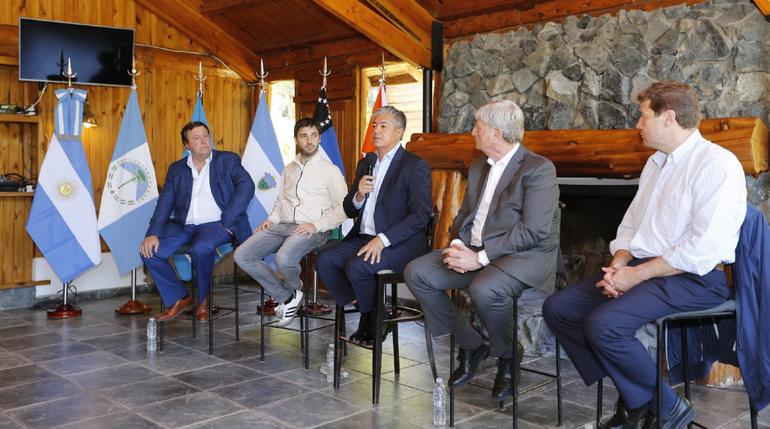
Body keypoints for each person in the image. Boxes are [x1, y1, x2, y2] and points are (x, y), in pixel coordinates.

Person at [542, 81, 747, 429]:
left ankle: (663, 407)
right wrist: (620, 262)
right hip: (644, 267)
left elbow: (702, 250)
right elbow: (631, 224)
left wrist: (634, 276)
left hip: (695, 277)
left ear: (668, 118)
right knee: (558, 309)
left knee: (604, 326)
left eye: (642, 116)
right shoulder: (655, 163)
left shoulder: (716, 164)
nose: (638, 125)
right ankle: (643, 398)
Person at [404, 99, 561, 400]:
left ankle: (508, 355)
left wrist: (480, 258)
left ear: (496, 133)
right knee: (417, 272)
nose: (473, 131)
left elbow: (533, 231)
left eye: (478, 126)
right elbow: (464, 216)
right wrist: (458, 246)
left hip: (523, 256)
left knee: (485, 290)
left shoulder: (539, 169)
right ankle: (473, 345)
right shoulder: (479, 165)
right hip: (474, 250)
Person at [314, 105, 432, 345]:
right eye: (374, 126)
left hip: (399, 243)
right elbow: (349, 209)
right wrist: (358, 195)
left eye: (383, 126)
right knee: (324, 260)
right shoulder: (366, 163)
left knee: (357, 266)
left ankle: (371, 319)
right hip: (364, 237)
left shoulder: (414, 165)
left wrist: (383, 239)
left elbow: (420, 215)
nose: (376, 130)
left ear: (399, 132)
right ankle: (374, 310)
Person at [233, 118, 347, 326]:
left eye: (314, 135)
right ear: (296, 139)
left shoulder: (331, 171)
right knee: (242, 255)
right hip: (282, 224)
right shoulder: (289, 169)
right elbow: (281, 200)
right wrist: (272, 219)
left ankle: (291, 294)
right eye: (304, 136)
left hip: (312, 228)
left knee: (284, 259)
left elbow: (343, 209)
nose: (309, 141)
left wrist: (316, 225)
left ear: (320, 138)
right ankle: (289, 296)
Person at [140, 121, 255, 322]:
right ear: (187, 145)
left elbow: (247, 186)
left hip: (216, 224)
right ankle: (180, 299)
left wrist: (227, 221)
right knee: (150, 252)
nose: (203, 141)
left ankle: (204, 300)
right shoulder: (176, 169)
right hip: (185, 226)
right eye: (196, 138)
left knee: (201, 248)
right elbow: (165, 203)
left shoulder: (227, 160)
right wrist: (152, 233)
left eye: (205, 135)